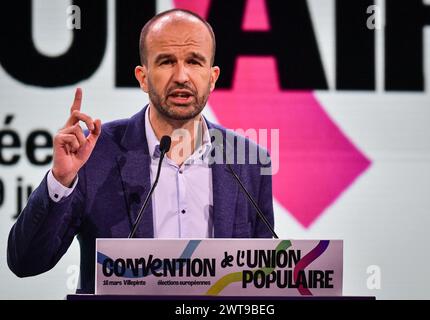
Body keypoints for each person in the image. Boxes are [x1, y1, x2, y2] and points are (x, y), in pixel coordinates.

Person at [7, 9, 274, 294]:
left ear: (212, 77)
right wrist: (60, 180)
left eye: (194, 61)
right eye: (166, 62)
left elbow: (265, 279)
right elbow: (26, 262)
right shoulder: (94, 152)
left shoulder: (247, 160)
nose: (181, 76)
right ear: (143, 77)